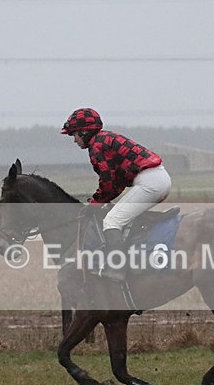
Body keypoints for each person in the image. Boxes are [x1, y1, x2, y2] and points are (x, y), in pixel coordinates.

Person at [61, 107, 172, 282]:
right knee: (119, 214)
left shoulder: (96, 146)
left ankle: (117, 269)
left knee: (112, 221)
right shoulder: (104, 139)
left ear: (84, 131)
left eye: (74, 135)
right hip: (156, 178)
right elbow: (116, 184)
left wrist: (95, 202)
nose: (74, 140)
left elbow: (107, 182)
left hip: (150, 182)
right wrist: (100, 200)